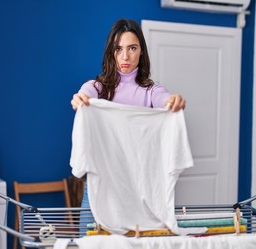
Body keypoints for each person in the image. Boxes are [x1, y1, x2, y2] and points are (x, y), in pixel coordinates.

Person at [70, 18, 186, 236]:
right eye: (118, 49)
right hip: (99, 190)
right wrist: (81, 100)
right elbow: (85, 95)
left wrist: (173, 101)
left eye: (132, 48)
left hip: (139, 194)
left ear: (141, 51)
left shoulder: (152, 91)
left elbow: (164, 99)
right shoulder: (96, 87)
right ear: (110, 52)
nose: (125, 56)